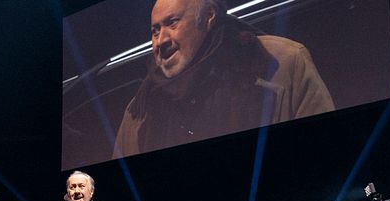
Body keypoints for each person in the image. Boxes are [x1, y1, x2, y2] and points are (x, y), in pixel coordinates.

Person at [114, 0, 334, 159]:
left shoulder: (283, 63)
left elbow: (324, 149)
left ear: (208, 16)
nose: (161, 40)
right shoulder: (138, 111)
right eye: (155, 30)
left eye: (172, 23)